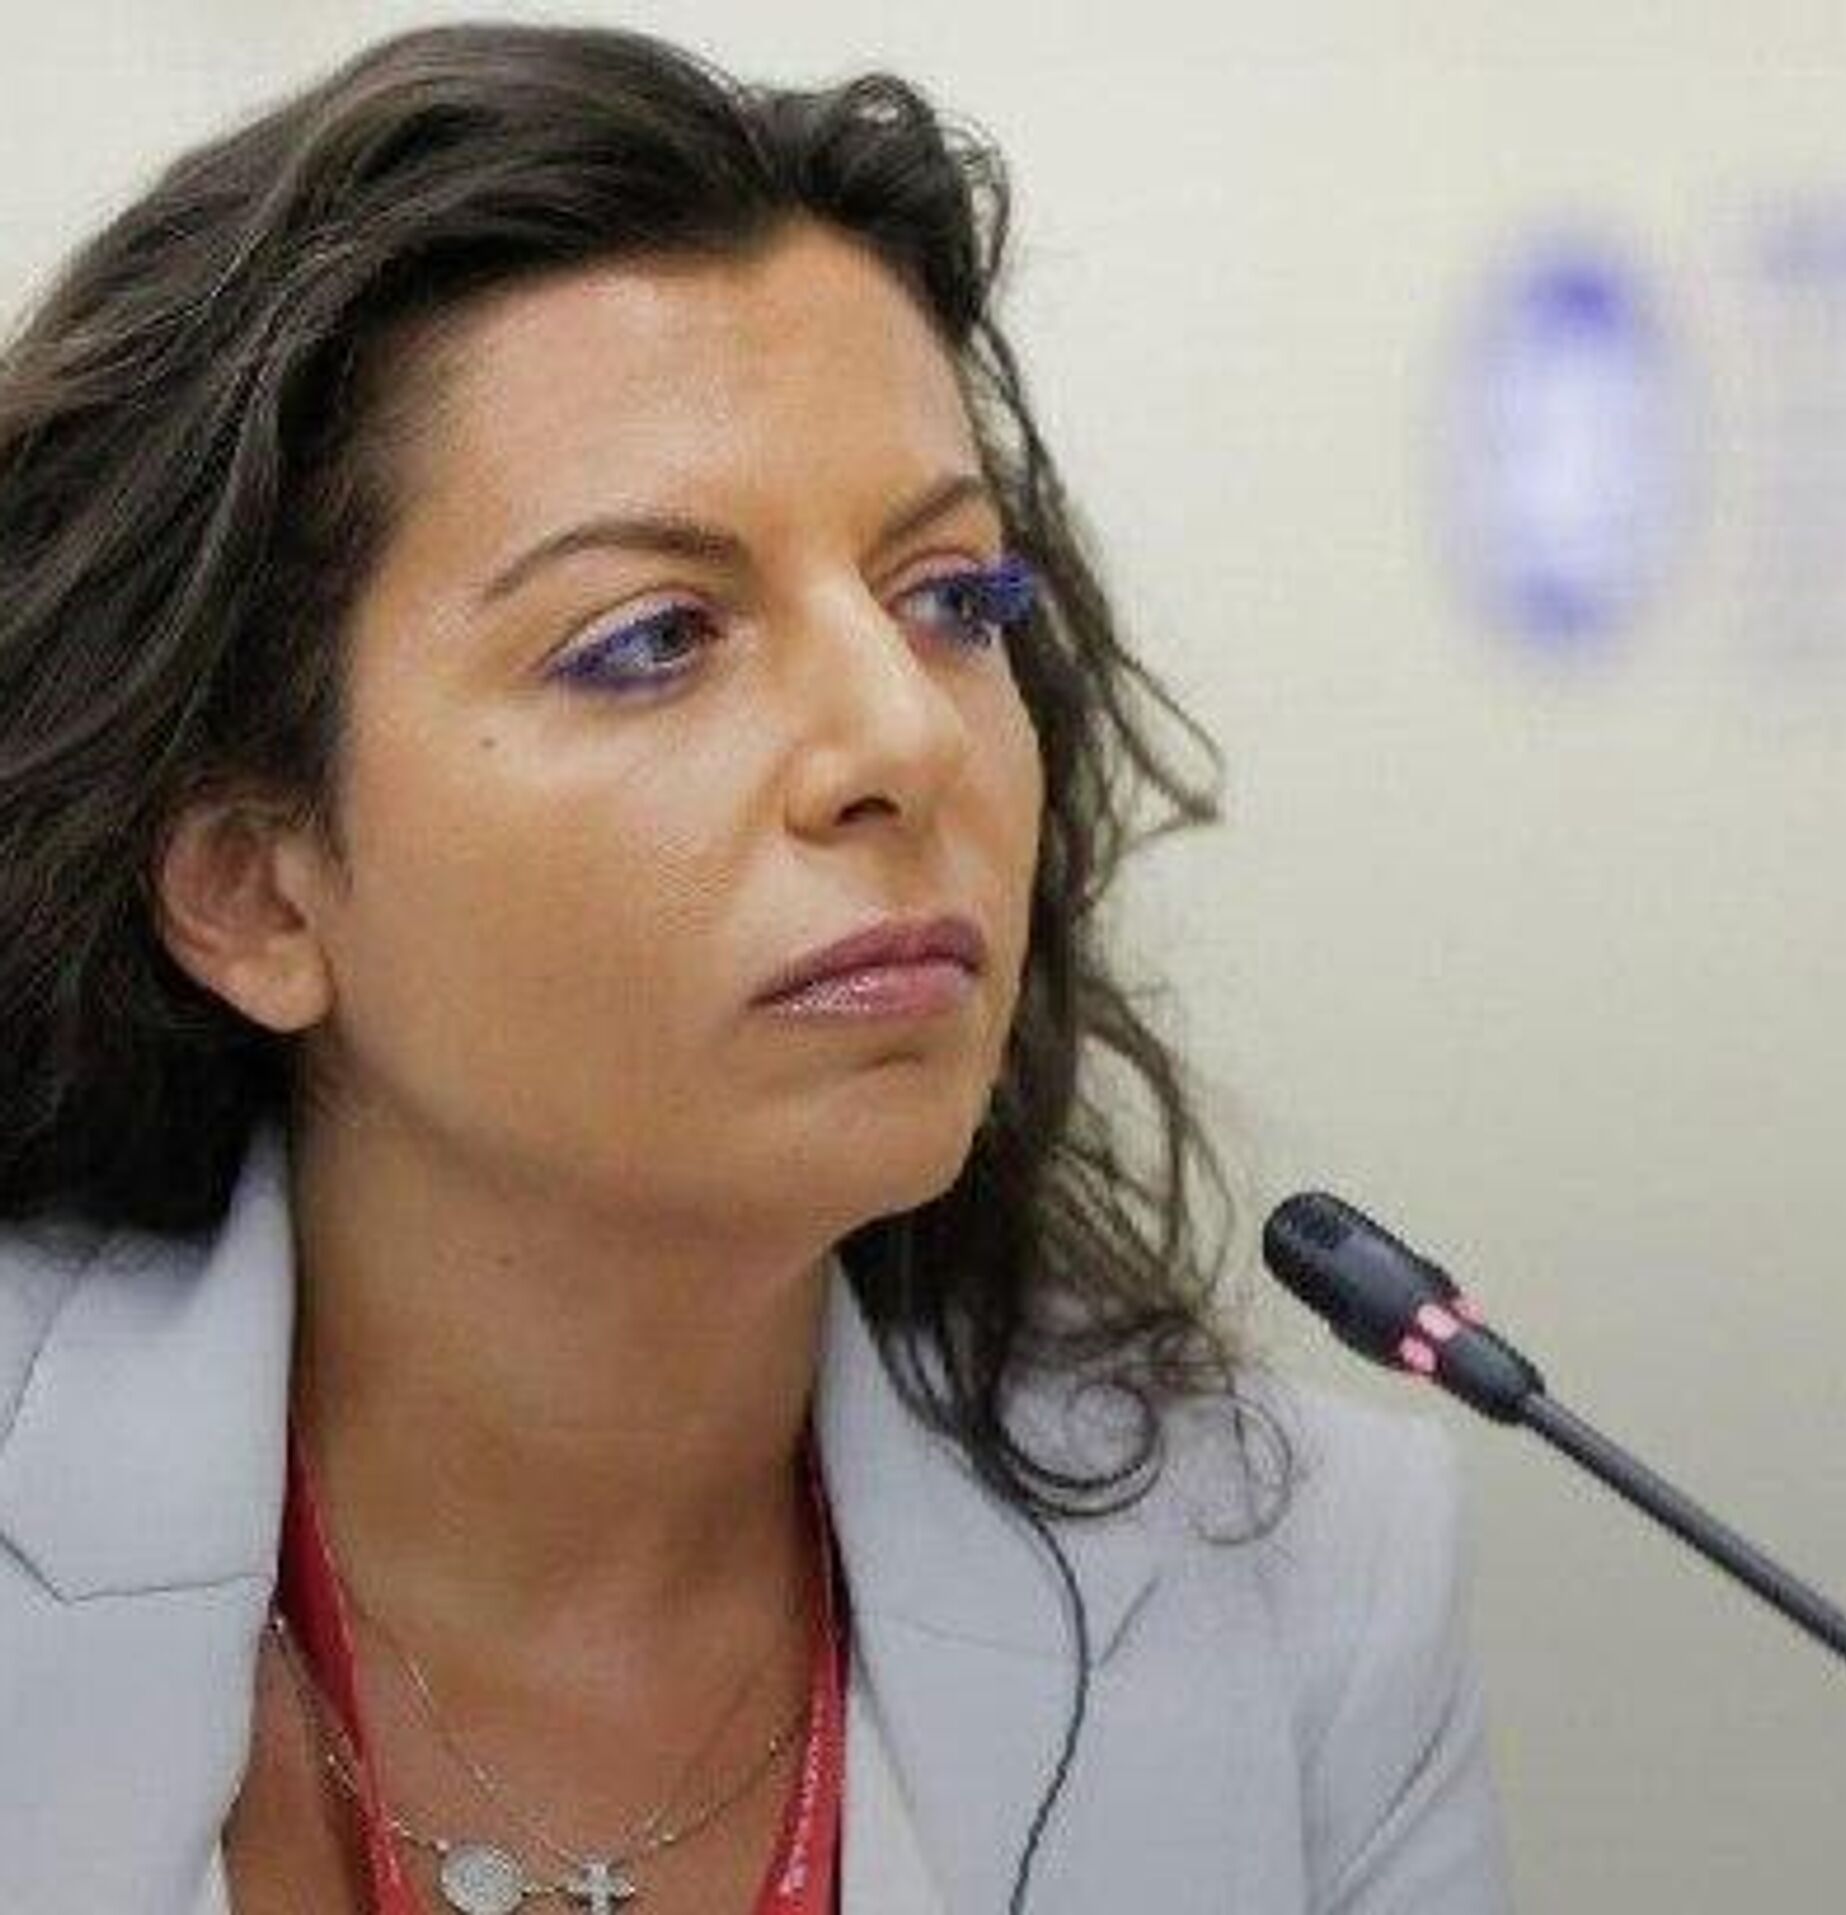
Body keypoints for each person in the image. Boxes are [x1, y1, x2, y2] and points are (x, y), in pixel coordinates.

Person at [0, 22, 1515, 1915]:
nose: (905, 738)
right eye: (653, 638)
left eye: (953, 599)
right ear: (253, 891)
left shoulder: (1304, 1585)